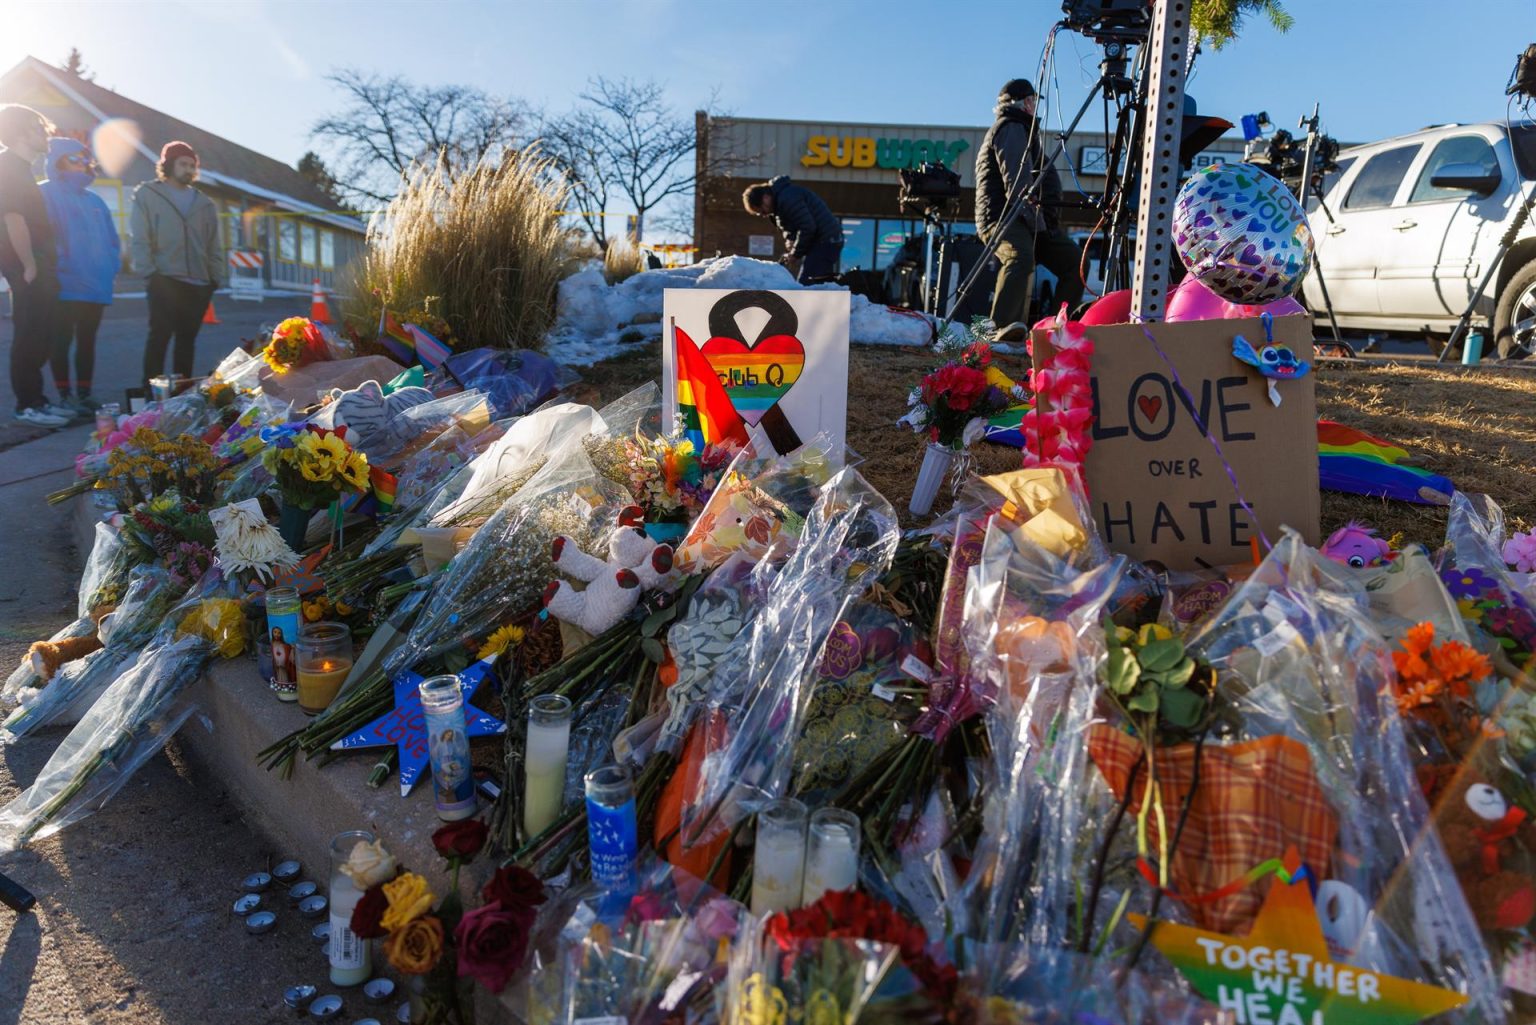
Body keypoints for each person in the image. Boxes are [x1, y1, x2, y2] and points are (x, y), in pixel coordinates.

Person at [975, 78, 1086, 339]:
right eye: (1033, 101)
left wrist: (1045, 222)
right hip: (1002, 218)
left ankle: (1057, 329)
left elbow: (1045, 178)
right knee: (1020, 258)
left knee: (1075, 263)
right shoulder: (1011, 127)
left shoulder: (1026, 132)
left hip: (1029, 220)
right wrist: (1039, 221)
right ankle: (999, 329)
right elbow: (1017, 184)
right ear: (1025, 102)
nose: (1036, 106)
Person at [0, 105, 75, 427]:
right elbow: (13, 218)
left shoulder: (22, 168)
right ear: (21, 132)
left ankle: (38, 401)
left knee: (42, 334)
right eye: (38, 128)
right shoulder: (8, 166)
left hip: (37, 265)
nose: (46, 134)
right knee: (29, 334)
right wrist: (28, 264)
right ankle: (27, 405)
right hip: (26, 266)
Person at [129, 140, 226, 389]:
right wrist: (149, 271)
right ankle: (151, 391)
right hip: (164, 277)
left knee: (187, 340)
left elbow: (214, 244)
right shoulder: (148, 194)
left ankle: (183, 392)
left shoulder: (204, 204)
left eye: (192, 165)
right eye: (183, 164)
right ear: (169, 164)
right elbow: (140, 236)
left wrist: (215, 279)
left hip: (198, 282)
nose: (188, 169)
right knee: (159, 336)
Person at [41, 138, 120, 413]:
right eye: (75, 158)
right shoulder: (45, 193)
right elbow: (44, 237)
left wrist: (110, 267)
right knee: (60, 340)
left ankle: (84, 395)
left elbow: (112, 241)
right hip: (64, 283)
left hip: (96, 284)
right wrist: (61, 264)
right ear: (58, 160)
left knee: (88, 341)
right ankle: (65, 396)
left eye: (86, 159)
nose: (83, 164)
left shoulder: (95, 200)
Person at [742, 175, 843, 283]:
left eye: (761, 210)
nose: (763, 214)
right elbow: (796, 227)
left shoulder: (787, 198)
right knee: (813, 282)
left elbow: (807, 227)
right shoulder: (780, 203)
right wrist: (792, 241)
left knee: (808, 284)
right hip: (823, 241)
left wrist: (795, 254)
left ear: (765, 197)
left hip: (827, 241)